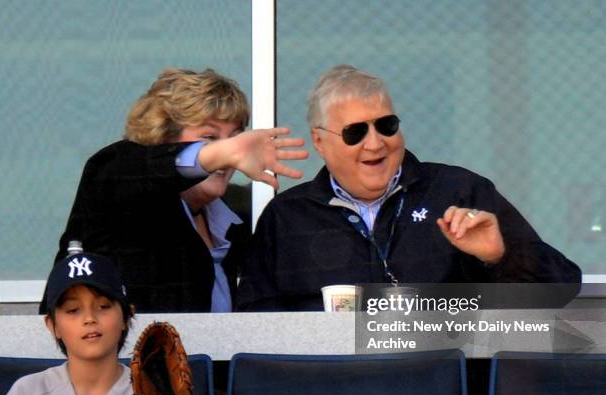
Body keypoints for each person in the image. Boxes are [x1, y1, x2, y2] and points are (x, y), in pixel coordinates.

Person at [237, 65, 582, 311]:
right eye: (355, 132)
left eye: (386, 126)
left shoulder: (458, 191)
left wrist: (501, 255)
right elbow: (254, 329)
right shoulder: (286, 218)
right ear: (319, 142)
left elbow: (561, 289)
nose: (375, 144)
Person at [41, 68, 307, 313]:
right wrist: (225, 151)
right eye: (209, 137)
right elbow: (133, 170)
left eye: (234, 137)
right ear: (164, 140)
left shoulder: (228, 220)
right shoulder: (120, 178)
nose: (228, 156)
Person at [0, 252, 143, 395]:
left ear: (126, 316)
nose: (89, 319)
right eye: (73, 310)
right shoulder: (26, 394)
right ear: (52, 325)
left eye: (103, 306)